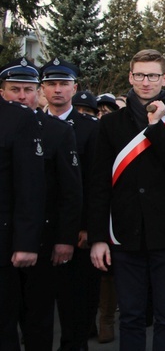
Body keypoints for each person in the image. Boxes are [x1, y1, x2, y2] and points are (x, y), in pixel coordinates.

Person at [89, 49, 165, 351]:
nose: (145, 81)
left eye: (152, 75)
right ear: (130, 77)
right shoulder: (111, 125)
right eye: (139, 75)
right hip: (125, 234)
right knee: (132, 316)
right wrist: (98, 237)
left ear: (164, 79)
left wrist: (157, 127)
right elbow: (99, 184)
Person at [1, 58, 78, 351]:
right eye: (14, 90)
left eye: (28, 90)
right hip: (6, 239)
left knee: (38, 320)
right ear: (3, 92)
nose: (22, 96)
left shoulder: (57, 131)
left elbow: (70, 192)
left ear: (39, 93)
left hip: (44, 240)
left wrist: (64, 239)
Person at [40, 57, 102, 350]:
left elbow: (95, 182)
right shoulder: (31, 124)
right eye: (51, 84)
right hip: (39, 231)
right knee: (36, 314)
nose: (57, 90)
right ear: (42, 89)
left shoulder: (90, 127)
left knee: (76, 312)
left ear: (74, 88)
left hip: (78, 234)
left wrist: (89, 227)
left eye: (63, 84)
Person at [0, 74, 45, 351]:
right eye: (13, 88)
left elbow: (30, 186)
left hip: (3, 243)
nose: (20, 94)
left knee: (4, 328)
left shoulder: (17, 119)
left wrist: (26, 243)